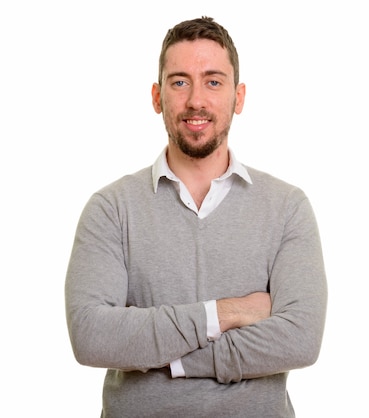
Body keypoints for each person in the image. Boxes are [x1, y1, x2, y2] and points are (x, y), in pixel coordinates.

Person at [65, 16, 327, 418]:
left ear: (238, 97)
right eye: (180, 81)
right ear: (157, 97)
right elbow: (92, 337)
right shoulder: (111, 208)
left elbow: (300, 339)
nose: (196, 101)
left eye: (214, 81)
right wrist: (229, 312)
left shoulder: (287, 207)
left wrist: (172, 360)